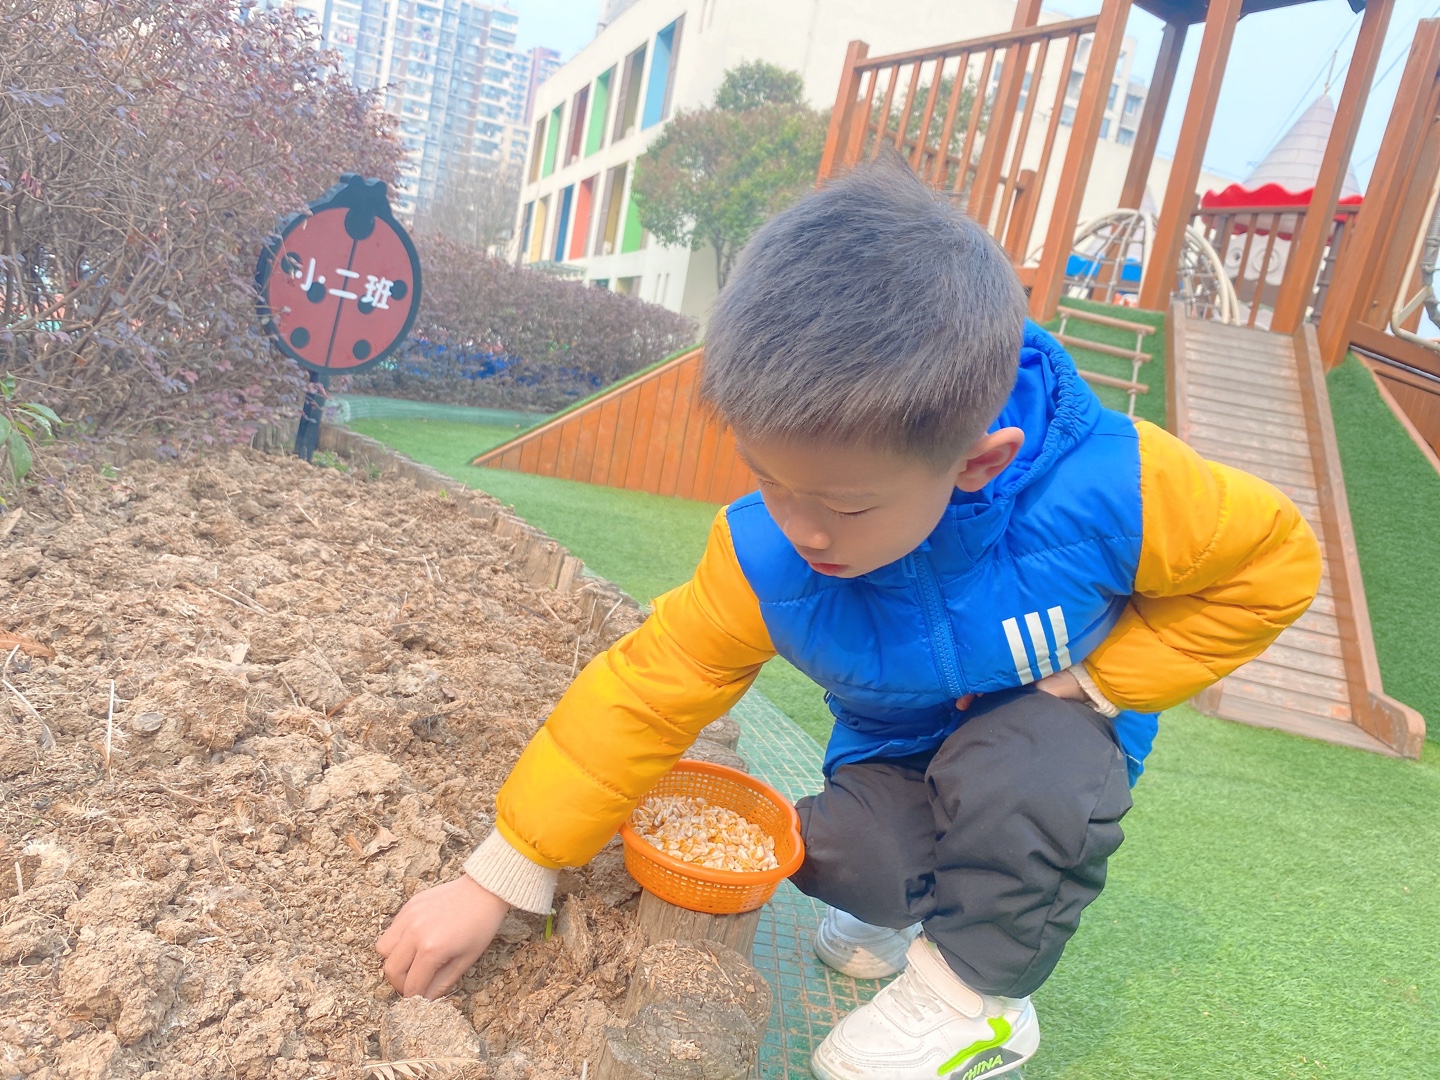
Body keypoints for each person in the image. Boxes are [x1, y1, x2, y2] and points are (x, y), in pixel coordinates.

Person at [377, 159, 1321, 1080]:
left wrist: (1101, 682)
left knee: (1026, 766)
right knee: (836, 853)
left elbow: (1275, 566)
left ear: (978, 463)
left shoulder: (1119, 486)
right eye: (768, 479)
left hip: (1046, 749)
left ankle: (976, 1004)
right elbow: (648, 688)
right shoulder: (765, 556)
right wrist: (502, 873)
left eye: (845, 503)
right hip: (898, 749)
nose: (803, 529)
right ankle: (903, 907)